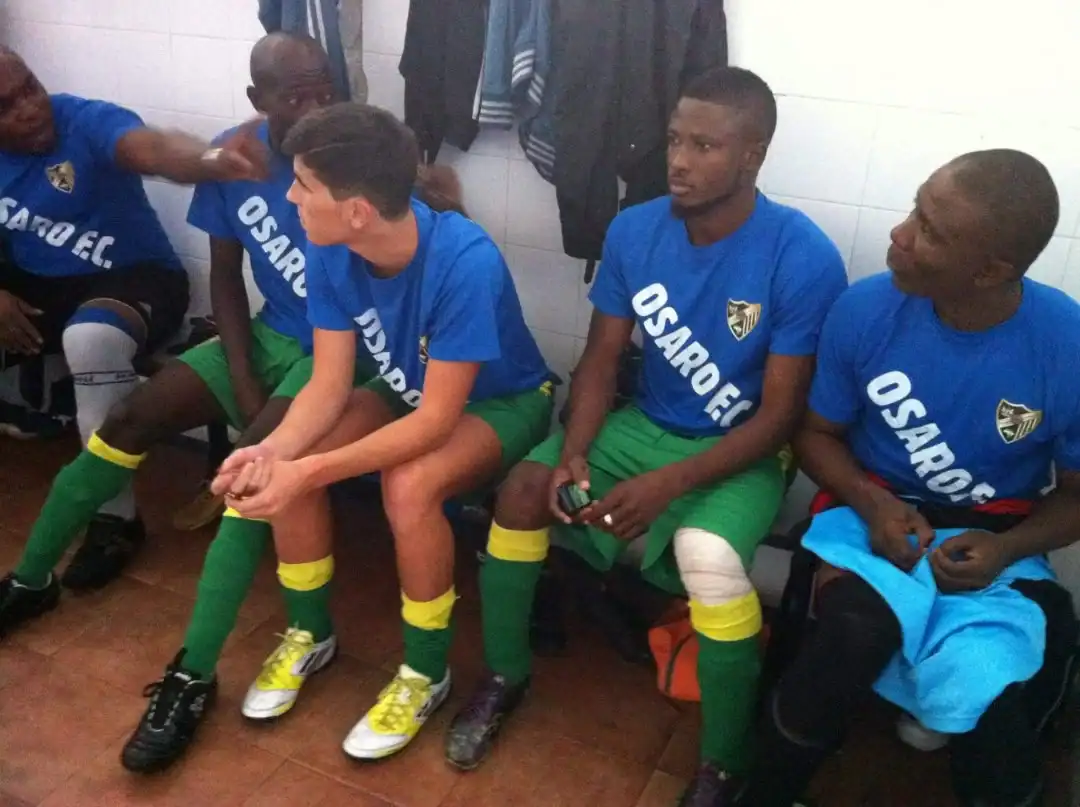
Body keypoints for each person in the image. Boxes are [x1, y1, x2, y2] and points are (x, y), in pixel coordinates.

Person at [445, 66, 849, 805]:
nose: (679, 161)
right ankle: (504, 675)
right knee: (524, 489)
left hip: (743, 451)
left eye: (704, 146)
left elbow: (779, 419)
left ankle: (722, 761)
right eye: (673, 140)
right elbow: (602, 359)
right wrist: (574, 451)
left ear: (753, 155)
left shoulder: (801, 255)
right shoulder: (635, 229)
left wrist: (667, 485)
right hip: (643, 426)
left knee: (709, 557)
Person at [120, 101, 552, 771]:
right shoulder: (328, 247)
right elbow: (327, 383)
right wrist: (272, 452)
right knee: (294, 453)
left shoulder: (465, 260)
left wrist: (305, 471)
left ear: (357, 210)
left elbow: (436, 421)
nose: (290, 197)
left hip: (503, 401)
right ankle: (309, 633)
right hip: (408, 386)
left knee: (409, 485)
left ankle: (424, 673)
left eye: (303, 185)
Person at [736, 150, 1080, 807]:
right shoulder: (866, 309)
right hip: (871, 512)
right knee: (852, 635)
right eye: (915, 209)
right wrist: (873, 504)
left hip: (995, 536)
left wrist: (1005, 547)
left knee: (994, 689)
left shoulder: (1065, 342)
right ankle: (765, 793)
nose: (898, 234)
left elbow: (1076, 497)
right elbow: (815, 433)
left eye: (929, 230)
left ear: (990, 270)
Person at [0, 45, 268, 590]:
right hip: (38, 282)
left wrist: (211, 160)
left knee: (91, 339)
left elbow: (153, 149)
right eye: (6, 105)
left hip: (136, 276)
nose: (30, 108)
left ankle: (114, 522)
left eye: (30, 87)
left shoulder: (84, 120)